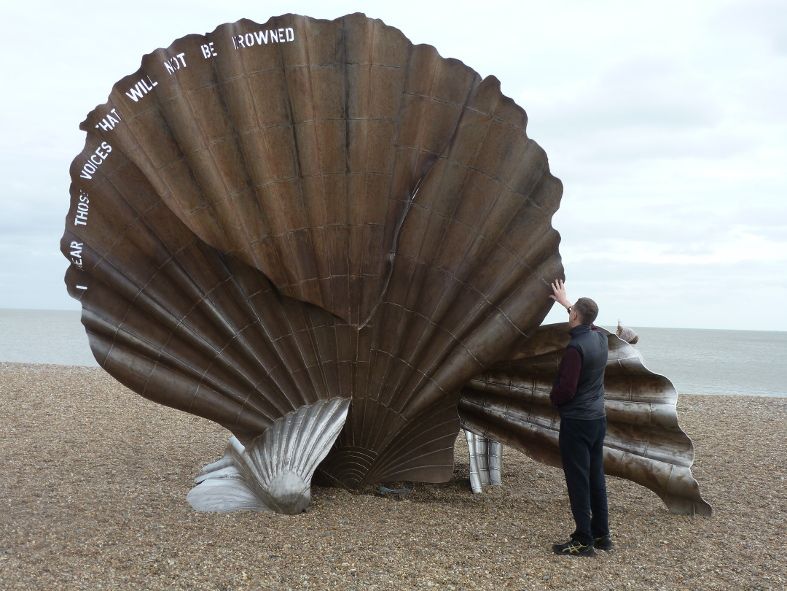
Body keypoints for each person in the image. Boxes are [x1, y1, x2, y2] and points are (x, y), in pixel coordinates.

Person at [548, 278, 612, 557]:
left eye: (571, 312)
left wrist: (553, 398)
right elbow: (587, 322)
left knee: (577, 481)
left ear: (575, 316)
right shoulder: (600, 338)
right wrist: (566, 303)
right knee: (596, 477)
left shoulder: (575, 349)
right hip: (598, 420)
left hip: (576, 422)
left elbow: (567, 389)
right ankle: (602, 535)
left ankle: (583, 540)